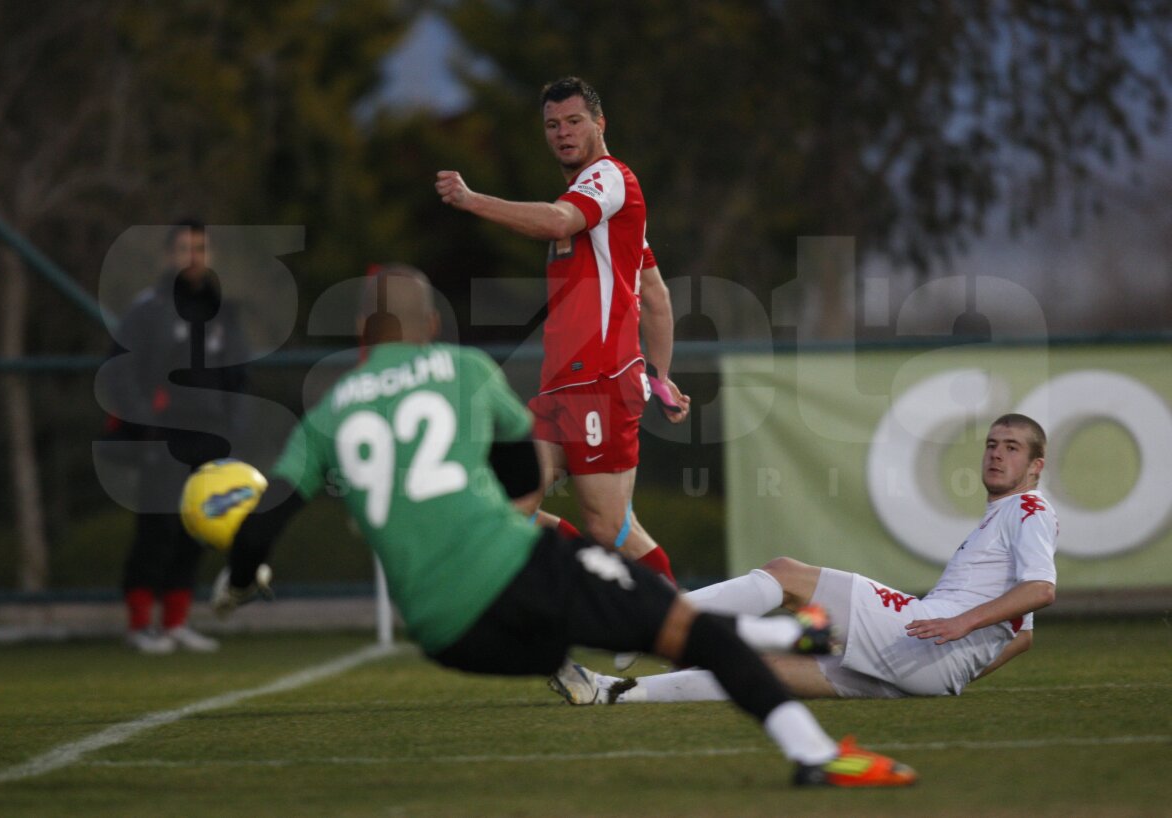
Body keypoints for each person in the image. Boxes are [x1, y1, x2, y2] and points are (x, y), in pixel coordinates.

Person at [211, 266, 916, 787]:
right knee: (681, 631)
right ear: (429, 327)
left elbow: (260, 525)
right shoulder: (460, 368)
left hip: (448, 635)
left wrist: (239, 585)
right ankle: (816, 752)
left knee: (609, 631)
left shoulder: (327, 414)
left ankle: (781, 634)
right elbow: (524, 474)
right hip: (517, 568)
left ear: (361, 335)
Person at [553, 414, 1058, 704]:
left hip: (927, 636)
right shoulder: (1002, 519)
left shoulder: (1029, 507)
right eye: (992, 444)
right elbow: (1025, 634)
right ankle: (611, 693)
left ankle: (647, 621)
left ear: (1035, 467)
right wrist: (955, 676)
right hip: (932, 667)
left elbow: (1041, 591)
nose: (996, 454)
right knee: (760, 669)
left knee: (785, 574)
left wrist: (959, 626)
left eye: (1011, 448)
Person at [435, 77, 688, 586]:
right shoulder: (605, 210)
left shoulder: (609, 178)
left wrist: (470, 199)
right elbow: (655, 293)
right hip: (563, 385)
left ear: (600, 124)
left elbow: (556, 223)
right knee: (503, 494)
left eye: (573, 121)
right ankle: (598, 589)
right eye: (552, 125)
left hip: (600, 378)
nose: (562, 133)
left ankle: (677, 617)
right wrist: (659, 377)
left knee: (609, 525)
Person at [102, 219, 248, 653]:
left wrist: (232, 426)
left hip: (208, 437)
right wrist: (145, 421)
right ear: (169, 256)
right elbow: (121, 369)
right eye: (184, 248)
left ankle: (176, 622)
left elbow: (237, 376)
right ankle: (138, 624)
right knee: (157, 526)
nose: (193, 257)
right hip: (161, 434)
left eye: (200, 248)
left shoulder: (222, 311)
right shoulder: (148, 309)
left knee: (196, 528)